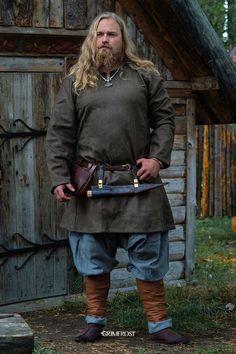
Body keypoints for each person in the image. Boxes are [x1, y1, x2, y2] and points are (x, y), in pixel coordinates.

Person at [45, 12, 189, 345]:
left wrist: (156, 158)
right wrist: (57, 177)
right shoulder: (76, 81)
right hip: (92, 184)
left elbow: (165, 120)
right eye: (100, 34)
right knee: (93, 256)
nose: (105, 39)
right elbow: (59, 134)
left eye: (112, 34)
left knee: (148, 254)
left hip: (139, 182)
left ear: (123, 39)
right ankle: (95, 321)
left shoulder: (144, 76)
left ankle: (158, 324)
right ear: (91, 40)